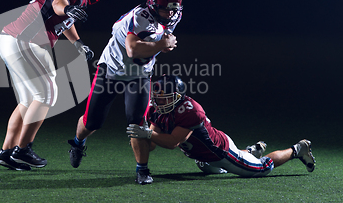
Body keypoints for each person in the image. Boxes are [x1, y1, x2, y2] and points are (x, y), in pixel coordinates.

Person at [0, 0, 107, 171]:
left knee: (29, 100)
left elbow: (65, 21)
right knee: (47, 94)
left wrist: (78, 43)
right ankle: (23, 148)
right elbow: (58, 4)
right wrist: (68, 8)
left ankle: (6, 152)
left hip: (16, 40)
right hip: (24, 41)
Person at [67, 0, 183, 172]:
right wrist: (163, 45)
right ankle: (78, 143)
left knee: (137, 123)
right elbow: (133, 49)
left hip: (139, 75)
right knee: (92, 121)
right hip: (112, 70)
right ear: (154, 6)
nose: (170, 14)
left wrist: (164, 44)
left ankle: (142, 169)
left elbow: (159, 39)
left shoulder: (172, 15)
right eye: (165, 9)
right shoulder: (140, 18)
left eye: (174, 9)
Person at [126, 74, 316, 184]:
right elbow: (155, 140)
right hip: (201, 156)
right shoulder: (155, 109)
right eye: (157, 95)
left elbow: (172, 142)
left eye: (163, 96)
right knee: (207, 169)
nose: (158, 100)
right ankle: (250, 151)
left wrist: (147, 134)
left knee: (262, 168)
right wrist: (143, 138)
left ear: (177, 97)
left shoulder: (190, 110)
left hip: (220, 152)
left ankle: (297, 149)